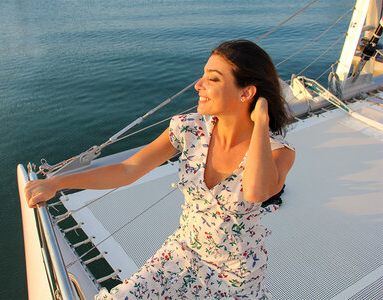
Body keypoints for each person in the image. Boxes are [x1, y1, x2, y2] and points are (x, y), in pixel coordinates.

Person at [25, 40, 295, 299]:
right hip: (181, 255)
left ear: (246, 93)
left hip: (236, 278)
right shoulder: (189, 129)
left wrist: (260, 121)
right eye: (203, 75)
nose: (198, 85)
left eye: (213, 79)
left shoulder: (278, 152)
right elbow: (127, 169)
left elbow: (256, 192)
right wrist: (58, 183)